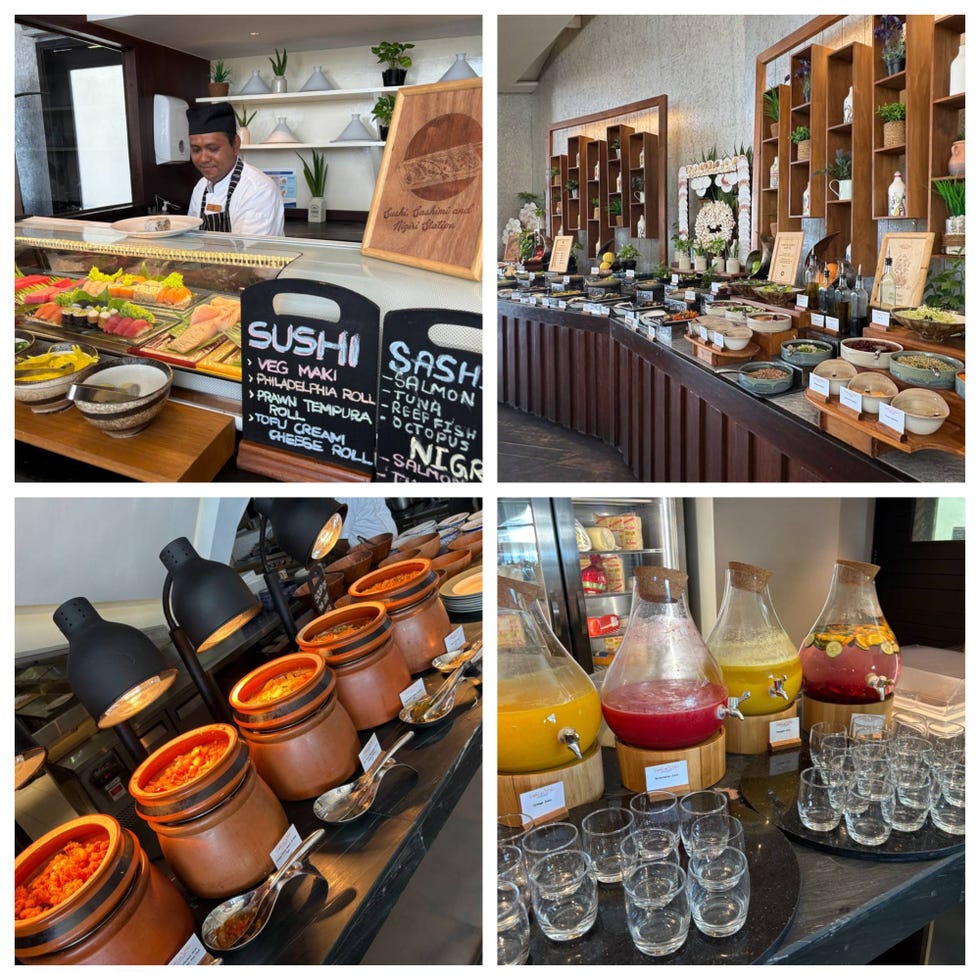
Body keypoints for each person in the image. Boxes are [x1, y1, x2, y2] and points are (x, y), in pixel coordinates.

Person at [186, 102, 284, 236]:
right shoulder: (201, 187)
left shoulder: (258, 190)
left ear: (235, 145)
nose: (203, 159)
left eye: (213, 149)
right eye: (196, 150)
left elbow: (250, 254)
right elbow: (191, 238)